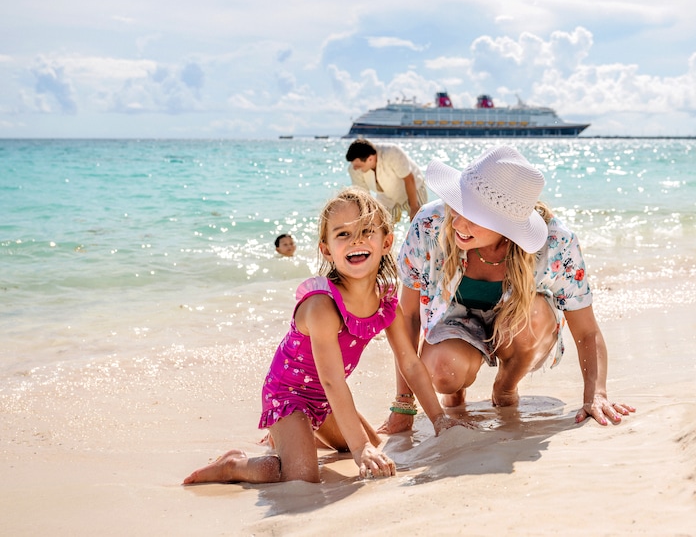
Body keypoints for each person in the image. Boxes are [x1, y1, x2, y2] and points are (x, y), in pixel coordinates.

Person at [184, 188, 461, 485]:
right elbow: (332, 380)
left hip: (324, 401)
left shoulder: (385, 300)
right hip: (288, 396)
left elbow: (410, 363)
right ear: (327, 249)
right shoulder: (322, 306)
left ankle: (292, 438)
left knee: (374, 449)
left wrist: (439, 419)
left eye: (367, 231)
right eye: (343, 234)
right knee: (301, 476)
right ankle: (235, 464)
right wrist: (360, 448)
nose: (356, 240)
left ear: (387, 243)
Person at [382, 146, 635, 435]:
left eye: (474, 216)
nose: (458, 222)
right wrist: (403, 403)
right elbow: (409, 316)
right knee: (441, 370)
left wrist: (596, 395)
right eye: (458, 204)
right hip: (455, 323)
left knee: (534, 315)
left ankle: (506, 386)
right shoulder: (430, 224)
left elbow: (587, 331)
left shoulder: (555, 244)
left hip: (517, 328)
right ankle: (454, 397)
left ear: (509, 226)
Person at [345, 138, 427, 223]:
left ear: (370, 159)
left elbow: (409, 179)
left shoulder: (392, 152)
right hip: (386, 196)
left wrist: (414, 207)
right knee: (381, 226)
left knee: (421, 224)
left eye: (359, 166)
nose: (355, 168)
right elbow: (364, 197)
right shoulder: (354, 169)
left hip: (413, 188)